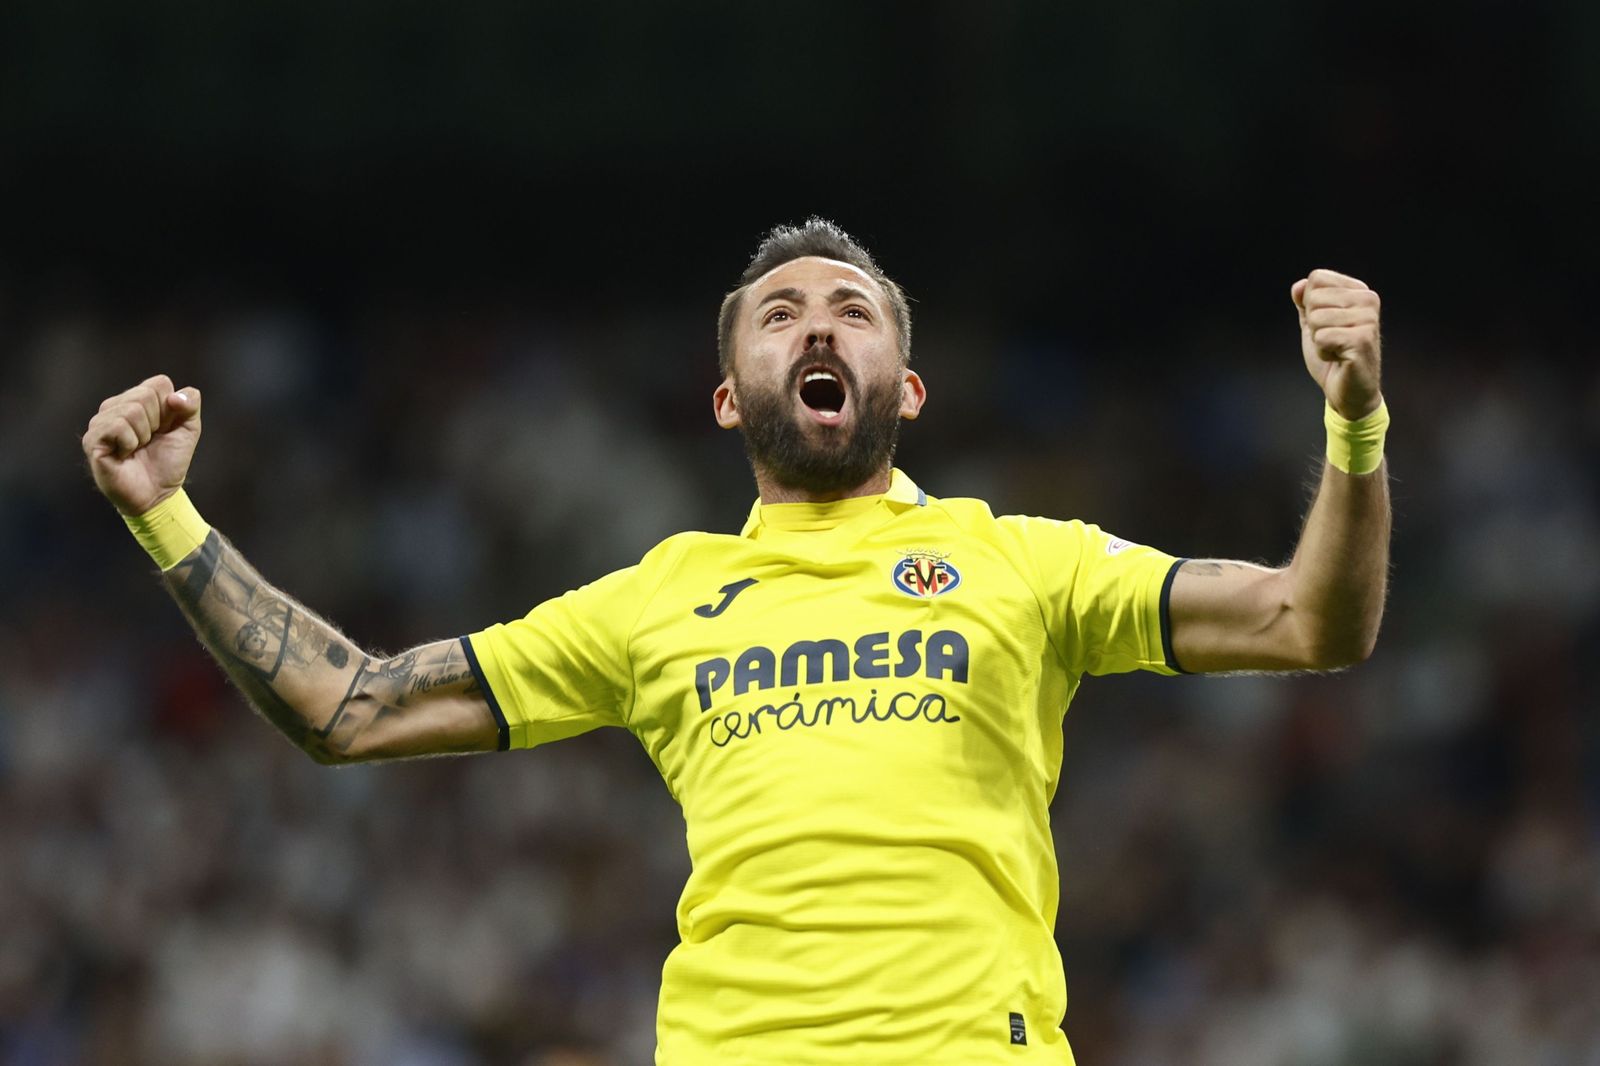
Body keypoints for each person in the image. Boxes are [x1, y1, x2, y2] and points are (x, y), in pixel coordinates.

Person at [82, 218, 1391, 1065]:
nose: (817, 322)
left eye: (852, 309)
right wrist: (169, 519)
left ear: (908, 389)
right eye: (780, 314)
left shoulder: (1023, 561)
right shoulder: (661, 599)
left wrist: (1354, 429)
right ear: (727, 398)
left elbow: (1311, 618)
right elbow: (350, 705)